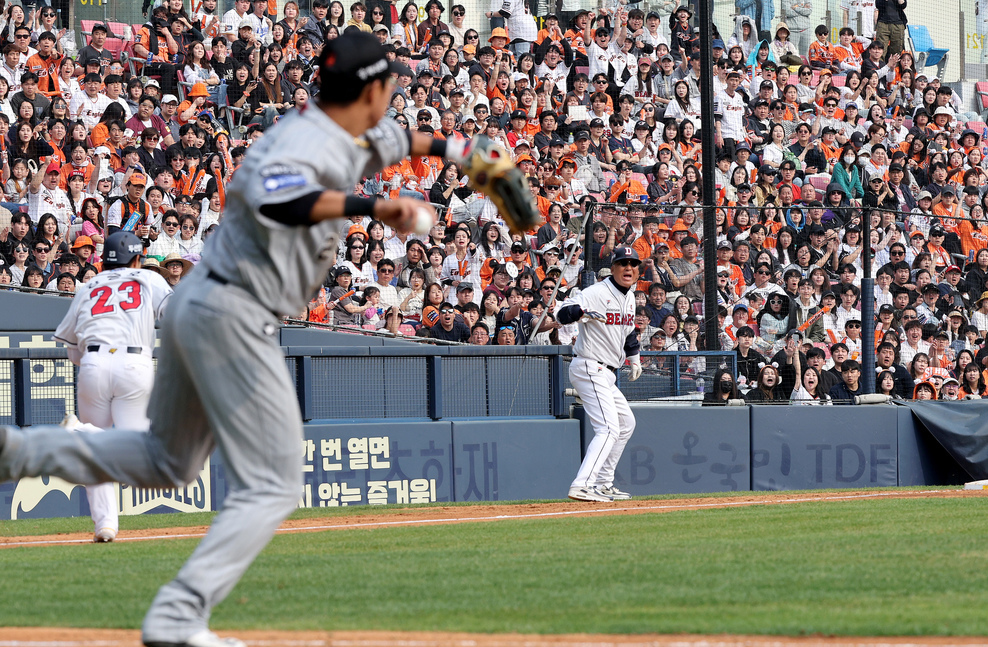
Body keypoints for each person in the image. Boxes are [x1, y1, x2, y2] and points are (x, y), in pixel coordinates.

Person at [0, 32, 537, 647]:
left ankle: (19, 453)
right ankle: (179, 615)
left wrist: (460, 148)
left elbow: (404, 140)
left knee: (168, 462)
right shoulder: (301, 141)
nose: (394, 90)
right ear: (369, 90)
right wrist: (374, 209)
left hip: (202, 307)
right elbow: (283, 201)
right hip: (231, 312)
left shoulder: (345, 127)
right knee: (276, 480)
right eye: (388, 81)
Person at [51, 231, 173, 544]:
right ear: (136, 259)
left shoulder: (88, 286)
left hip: (93, 364)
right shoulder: (148, 278)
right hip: (134, 363)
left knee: (96, 451)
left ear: (105, 259)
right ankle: (84, 432)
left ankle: (105, 524)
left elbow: (72, 350)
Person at [554, 246, 645, 503]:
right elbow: (562, 313)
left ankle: (604, 483)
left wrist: (634, 359)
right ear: (613, 268)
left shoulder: (630, 297)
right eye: (623, 263)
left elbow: (629, 332)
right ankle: (582, 484)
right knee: (608, 428)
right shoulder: (597, 292)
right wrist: (579, 312)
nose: (629, 268)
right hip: (589, 365)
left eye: (633, 264)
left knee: (626, 423)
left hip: (606, 372)